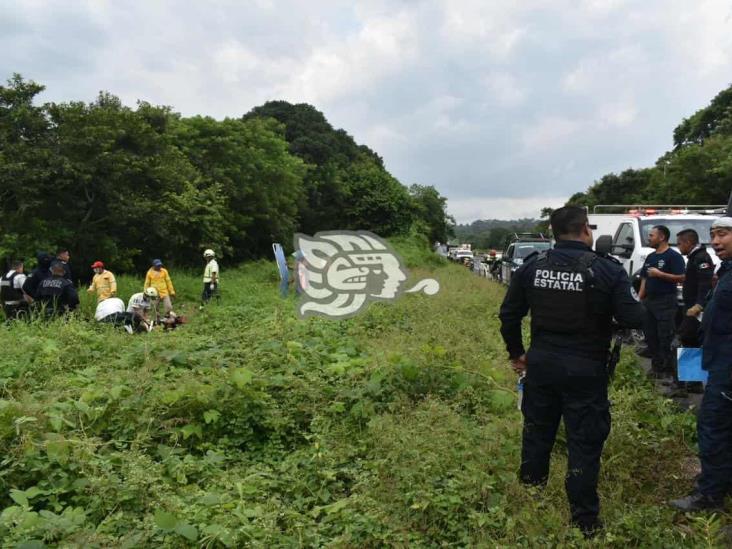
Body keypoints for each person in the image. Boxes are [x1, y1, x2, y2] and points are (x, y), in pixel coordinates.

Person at [499, 206, 644, 536]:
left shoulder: (533, 267)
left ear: (553, 232)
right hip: (585, 371)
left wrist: (517, 354)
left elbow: (508, 316)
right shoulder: (607, 271)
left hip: (541, 366)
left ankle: (531, 499)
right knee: (584, 442)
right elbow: (634, 318)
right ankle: (584, 522)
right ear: (585, 230)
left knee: (537, 433)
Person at [670, 216, 732, 511]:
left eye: (723, 235)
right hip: (717, 358)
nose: (716, 241)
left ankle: (709, 495)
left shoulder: (706, 263)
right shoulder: (726, 269)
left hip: (727, 368)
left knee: (712, 425)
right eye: (714, 235)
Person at [638, 225, 685, 377]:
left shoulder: (673, 256)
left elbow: (681, 277)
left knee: (665, 336)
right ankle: (656, 368)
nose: (649, 238)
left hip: (665, 301)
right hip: (649, 301)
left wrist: (661, 274)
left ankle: (670, 371)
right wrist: (639, 298)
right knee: (650, 336)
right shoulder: (651, 257)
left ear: (662, 237)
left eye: (651, 235)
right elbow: (644, 279)